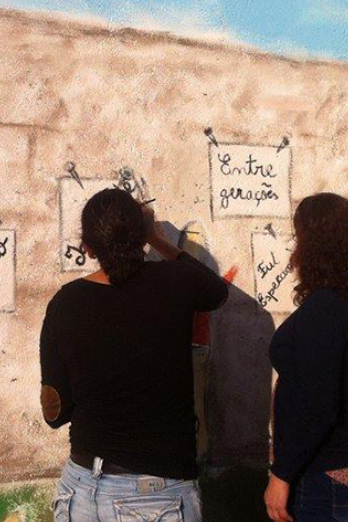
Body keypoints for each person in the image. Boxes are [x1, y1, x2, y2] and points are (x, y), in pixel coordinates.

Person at [40, 188, 228, 522]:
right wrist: (155, 237)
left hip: (80, 488)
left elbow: (54, 413)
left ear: (88, 247)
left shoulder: (65, 303)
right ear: (139, 236)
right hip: (155, 494)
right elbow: (216, 292)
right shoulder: (175, 282)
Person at [265, 193, 348, 522]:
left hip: (331, 475)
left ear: (313, 245)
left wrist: (281, 475)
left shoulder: (325, 310)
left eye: (298, 237)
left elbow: (317, 406)